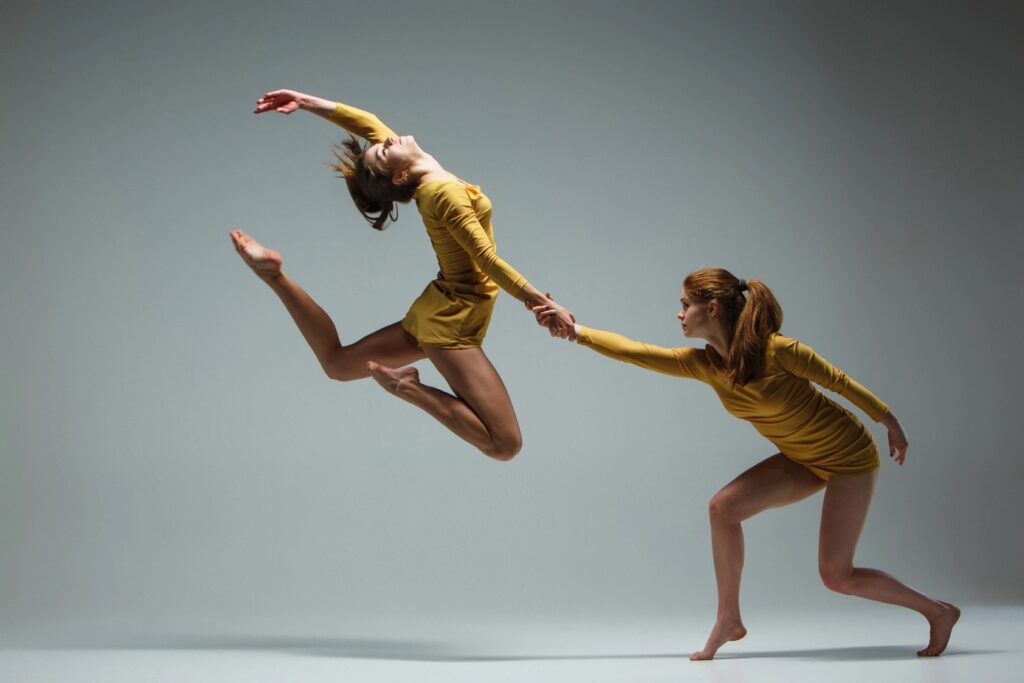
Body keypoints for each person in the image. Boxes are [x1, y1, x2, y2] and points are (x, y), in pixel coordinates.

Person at [530, 267, 959, 658]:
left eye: (685, 304)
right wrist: (575, 329)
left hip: (848, 456)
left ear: (712, 309)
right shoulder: (704, 365)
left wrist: (890, 422)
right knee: (723, 508)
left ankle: (937, 611)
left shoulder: (779, 351)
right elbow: (634, 351)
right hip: (802, 459)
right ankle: (728, 620)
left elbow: (840, 383)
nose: (679, 314)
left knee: (837, 575)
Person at [230, 89, 575, 461]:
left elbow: (369, 123)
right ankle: (409, 388)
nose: (388, 140)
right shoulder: (443, 194)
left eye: (380, 146)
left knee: (337, 364)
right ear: (400, 176)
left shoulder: (421, 172)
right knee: (505, 444)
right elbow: (487, 260)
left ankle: (274, 277)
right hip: (451, 323)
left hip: (440, 306)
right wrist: (540, 303)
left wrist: (305, 102)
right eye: (383, 151)